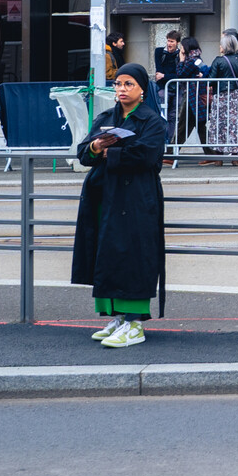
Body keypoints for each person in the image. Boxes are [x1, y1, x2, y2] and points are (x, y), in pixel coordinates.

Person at [73, 62, 169, 348]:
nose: (122, 89)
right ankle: (116, 316)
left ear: (142, 90)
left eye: (129, 84)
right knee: (107, 251)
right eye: (118, 84)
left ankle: (135, 322)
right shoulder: (106, 116)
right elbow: (83, 153)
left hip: (136, 197)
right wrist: (95, 148)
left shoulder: (152, 120)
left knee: (133, 254)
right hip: (106, 195)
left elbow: (148, 156)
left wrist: (109, 152)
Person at [203, 31, 238, 165]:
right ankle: (235, 156)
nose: (219, 47)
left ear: (225, 46)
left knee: (219, 124)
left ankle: (219, 157)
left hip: (222, 97)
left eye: (221, 45)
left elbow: (211, 80)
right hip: (236, 96)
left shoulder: (219, 61)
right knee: (235, 125)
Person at [165, 36, 208, 165]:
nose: (180, 48)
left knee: (183, 125)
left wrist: (181, 60)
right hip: (193, 96)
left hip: (192, 97)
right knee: (199, 126)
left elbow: (180, 74)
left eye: (182, 46)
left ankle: (171, 154)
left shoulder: (190, 60)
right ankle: (213, 154)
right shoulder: (197, 58)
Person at [152, 30, 182, 118]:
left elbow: (179, 75)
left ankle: (170, 132)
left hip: (177, 88)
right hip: (163, 87)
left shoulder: (181, 55)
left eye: (172, 41)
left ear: (177, 43)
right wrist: (168, 76)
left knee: (173, 115)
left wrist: (165, 76)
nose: (169, 43)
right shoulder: (160, 52)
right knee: (162, 114)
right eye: (168, 40)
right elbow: (159, 72)